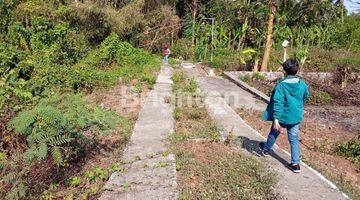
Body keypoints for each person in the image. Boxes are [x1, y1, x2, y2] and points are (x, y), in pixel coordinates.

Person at [259, 58, 309, 173]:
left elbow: (278, 102)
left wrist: (276, 119)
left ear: (284, 71)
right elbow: (306, 96)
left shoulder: (281, 86)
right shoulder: (302, 84)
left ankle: (266, 149)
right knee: (293, 139)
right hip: (295, 117)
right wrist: (297, 105)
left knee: (274, 132)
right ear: (297, 71)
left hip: (282, 116)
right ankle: (295, 164)